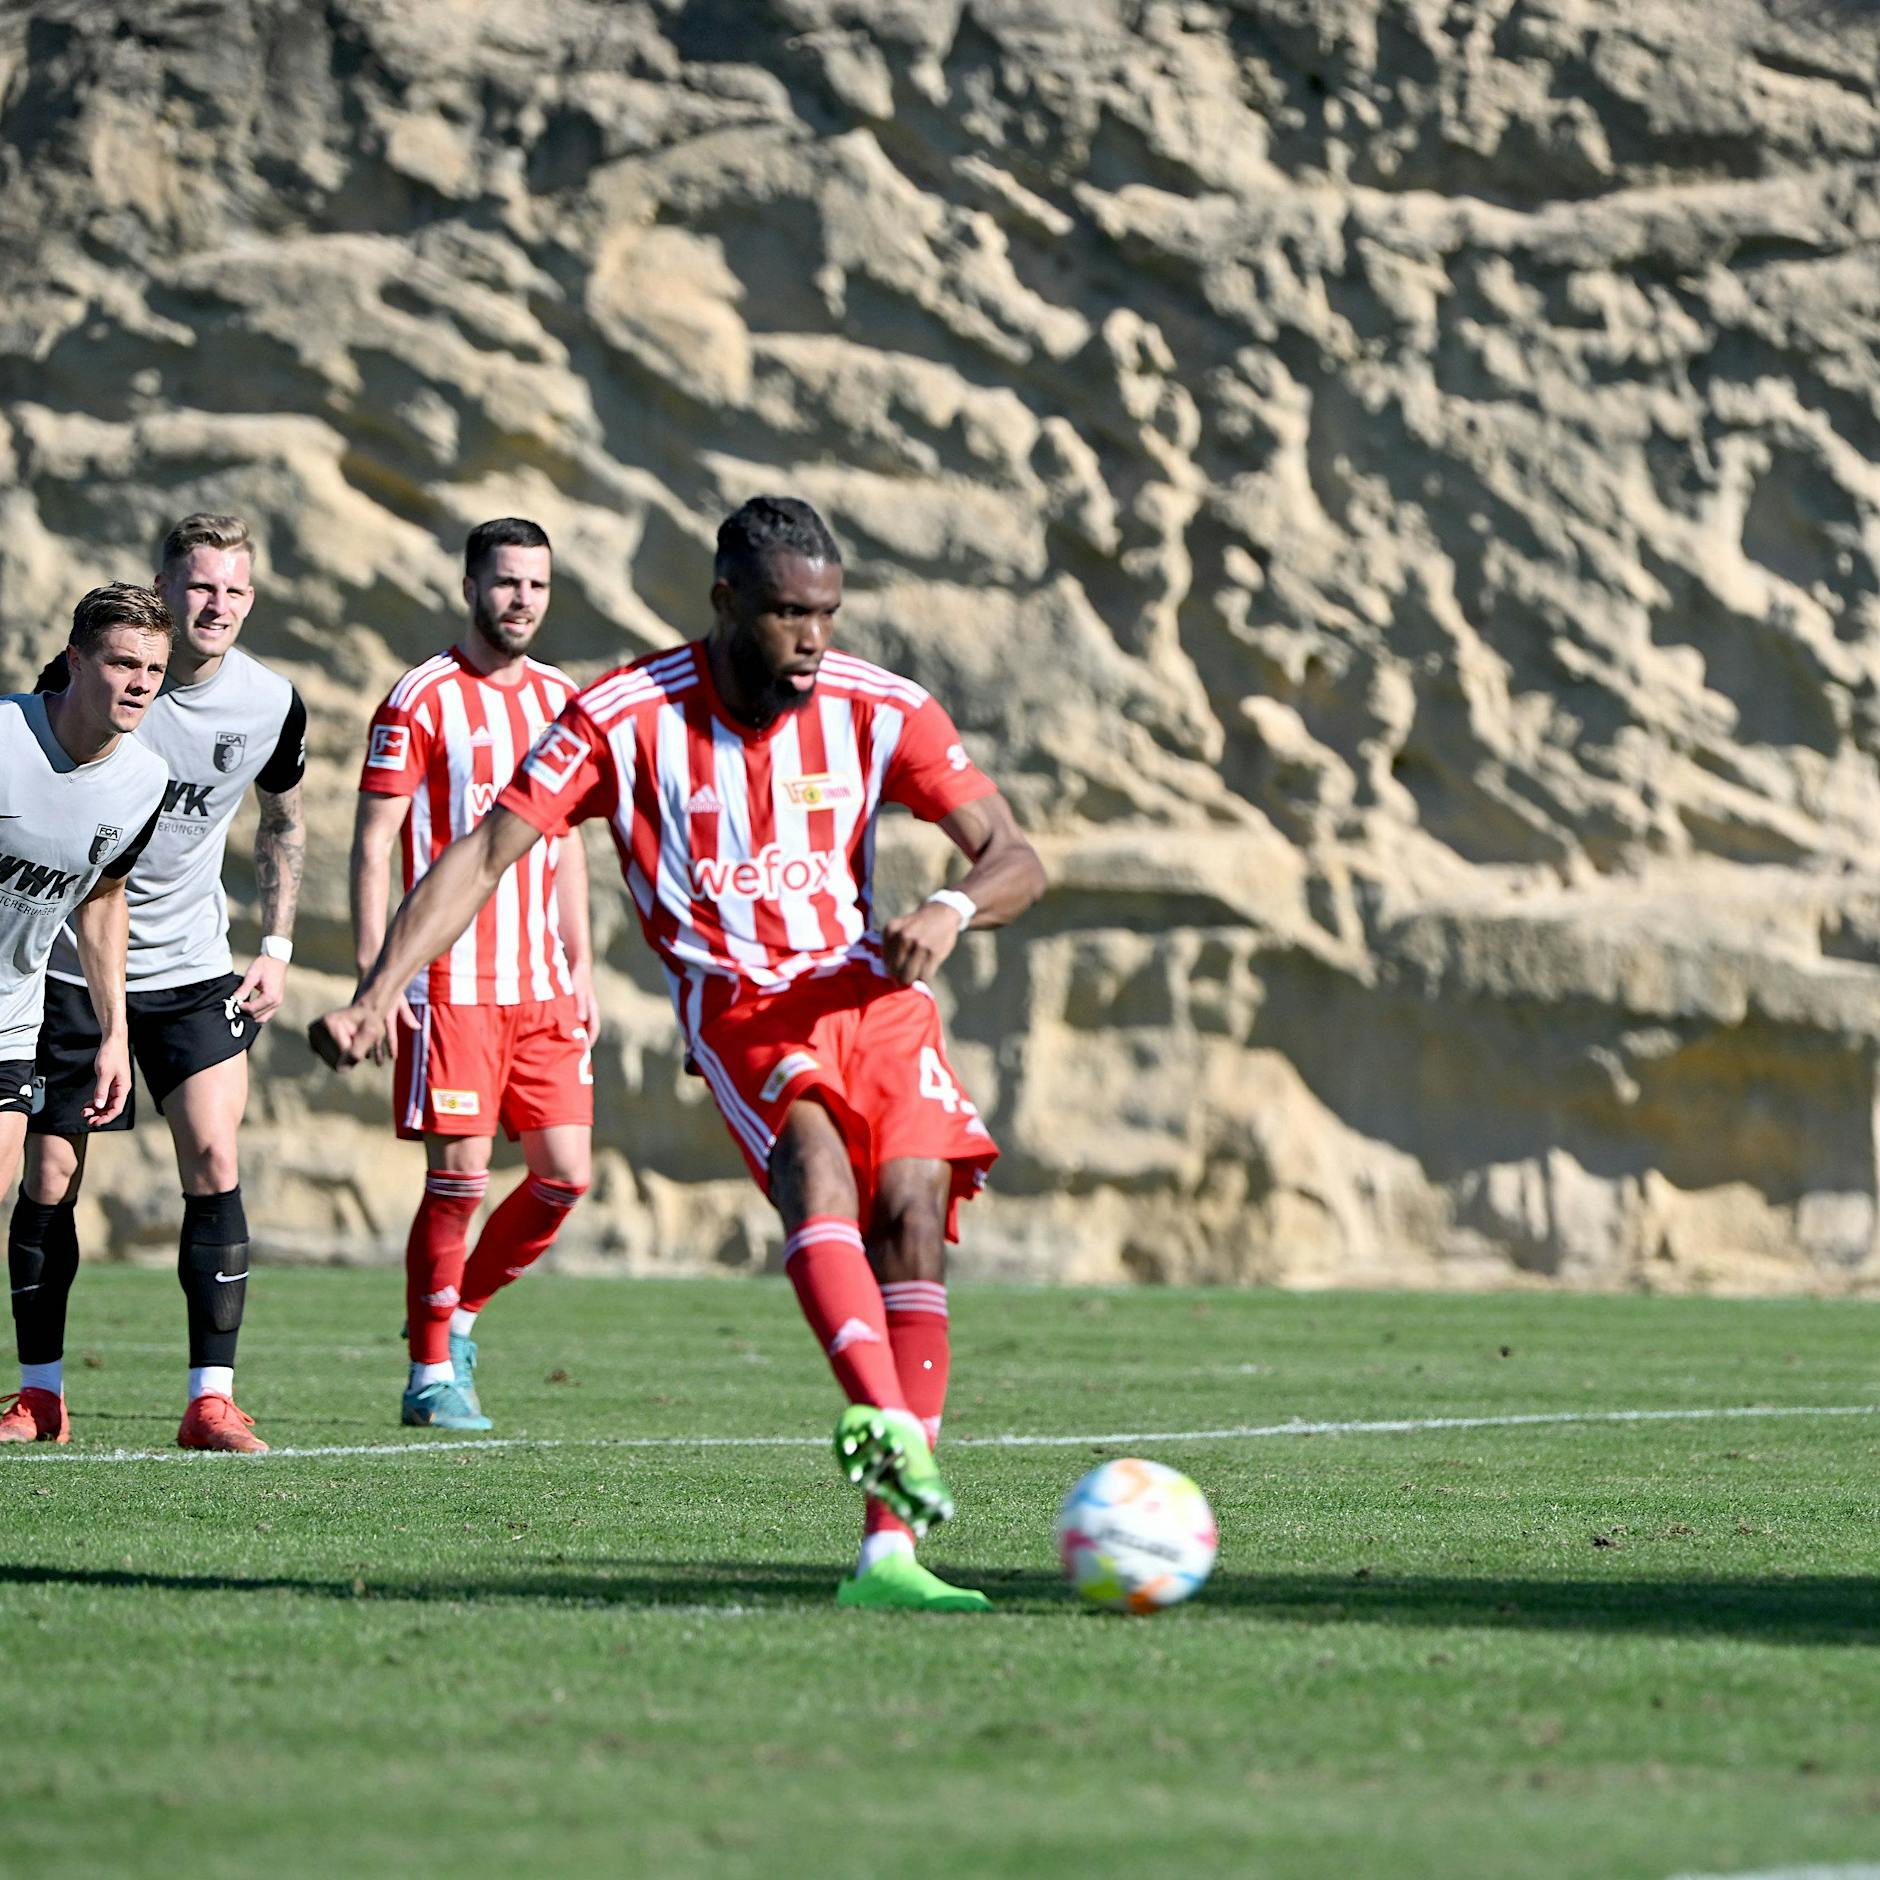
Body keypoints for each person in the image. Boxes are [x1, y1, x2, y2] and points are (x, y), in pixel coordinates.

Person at [314, 495, 1045, 1610]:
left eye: (827, 614)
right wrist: (377, 993)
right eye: (787, 613)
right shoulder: (621, 714)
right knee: (816, 1163)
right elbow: (483, 851)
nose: (811, 638)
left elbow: (1013, 853)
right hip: (742, 1003)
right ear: (724, 602)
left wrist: (949, 905)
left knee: (911, 1204)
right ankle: (882, 1411)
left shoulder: (875, 706)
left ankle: (890, 1553)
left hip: (874, 993)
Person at [6, 516, 307, 1453]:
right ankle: (40, 1393)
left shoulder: (271, 703)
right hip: (53, 973)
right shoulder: (79, 690)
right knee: (49, 1177)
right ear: (165, 589)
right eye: (199, 586)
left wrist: (278, 946)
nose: (216, 606)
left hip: (189, 967)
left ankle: (210, 1400)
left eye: (235, 590)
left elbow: (283, 822)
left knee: (215, 1159)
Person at [350, 517, 594, 1431]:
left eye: (535, 583)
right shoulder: (418, 699)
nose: (520, 599)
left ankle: (461, 1316)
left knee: (564, 1176)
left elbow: (564, 845)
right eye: (504, 582)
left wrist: (582, 966)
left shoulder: (566, 700)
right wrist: (381, 982)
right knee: (457, 1180)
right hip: (448, 986)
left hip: (541, 986)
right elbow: (374, 845)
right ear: (469, 587)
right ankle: (427, 1374)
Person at [0, 584, 172, 1446]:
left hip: (9, 1017)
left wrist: (114, 1032)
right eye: (121, 662)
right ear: (75, 660)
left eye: (153, 669)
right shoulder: (2, 738)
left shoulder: (146, 779)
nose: (139, 682)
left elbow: (102, 899)